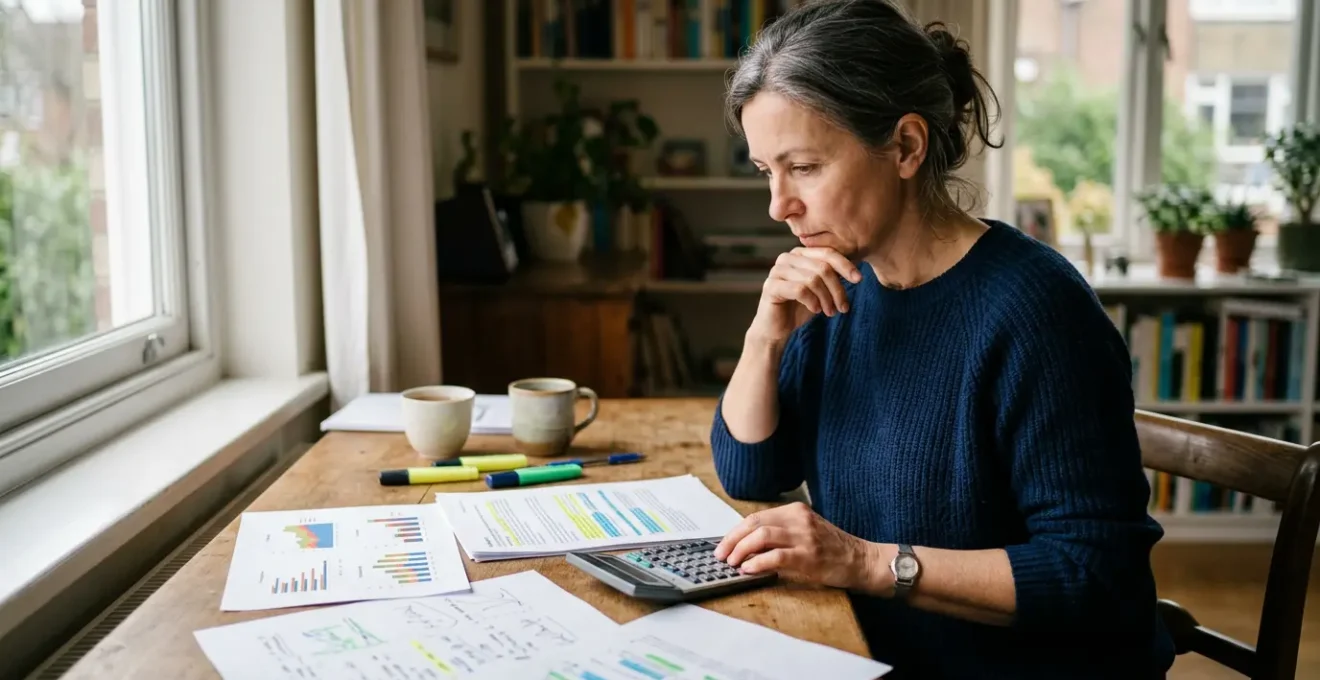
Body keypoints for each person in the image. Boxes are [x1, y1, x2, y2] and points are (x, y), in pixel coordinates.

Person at [707, 1, 1175, 678]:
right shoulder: (843, 284)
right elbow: (753, 472)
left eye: (803, 167)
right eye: (765, 171)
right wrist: (764, 337)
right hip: (871, 652)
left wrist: (864, 561)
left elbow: (1095, 577)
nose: (779, 205)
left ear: (905, 146)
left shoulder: (1036, 312)